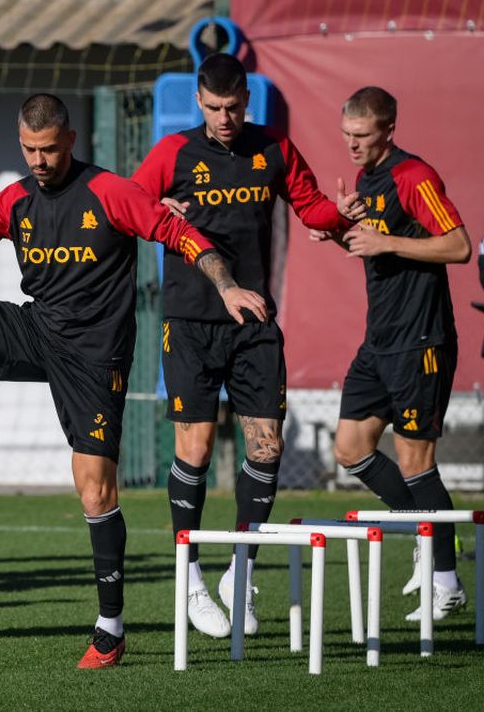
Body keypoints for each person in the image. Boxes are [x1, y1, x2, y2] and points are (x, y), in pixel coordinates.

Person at [0, 94, 266, 668]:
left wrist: (226, 285)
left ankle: (110, 629)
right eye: (27, 149)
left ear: (69, 141)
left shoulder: (111, 193)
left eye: (47, 149)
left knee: (94, 491)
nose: (37, 160)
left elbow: (182, 236)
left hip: (96, 360)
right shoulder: (16, 199)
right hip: (37, 329)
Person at [129, 53, 363, 639]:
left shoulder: (275, 149)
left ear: (246, 101)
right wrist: (155, 207)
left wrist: (341, 214)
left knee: (266, 446)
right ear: (200, 103)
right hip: (189, 320)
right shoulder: (174, 153)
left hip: (254, 317)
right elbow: (128, 206)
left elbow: (312, 208)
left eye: (233, 107)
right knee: (198, 446)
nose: (224, 118)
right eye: (213, 108)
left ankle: (241, 568)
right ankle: (189, 578)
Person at [313, 86, 471, 622]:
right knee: (350, 448)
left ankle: (447, 581)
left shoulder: (414, 176)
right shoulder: (364, 180)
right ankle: (426, 535)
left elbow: (458, 245)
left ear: (388, 131)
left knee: (414, 460)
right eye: (346, 135)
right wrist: (335, 229)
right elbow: (369, 245)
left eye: (361, 136)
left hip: (421, 340)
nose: (351, 145)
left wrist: (386, 242)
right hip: (378, 341)